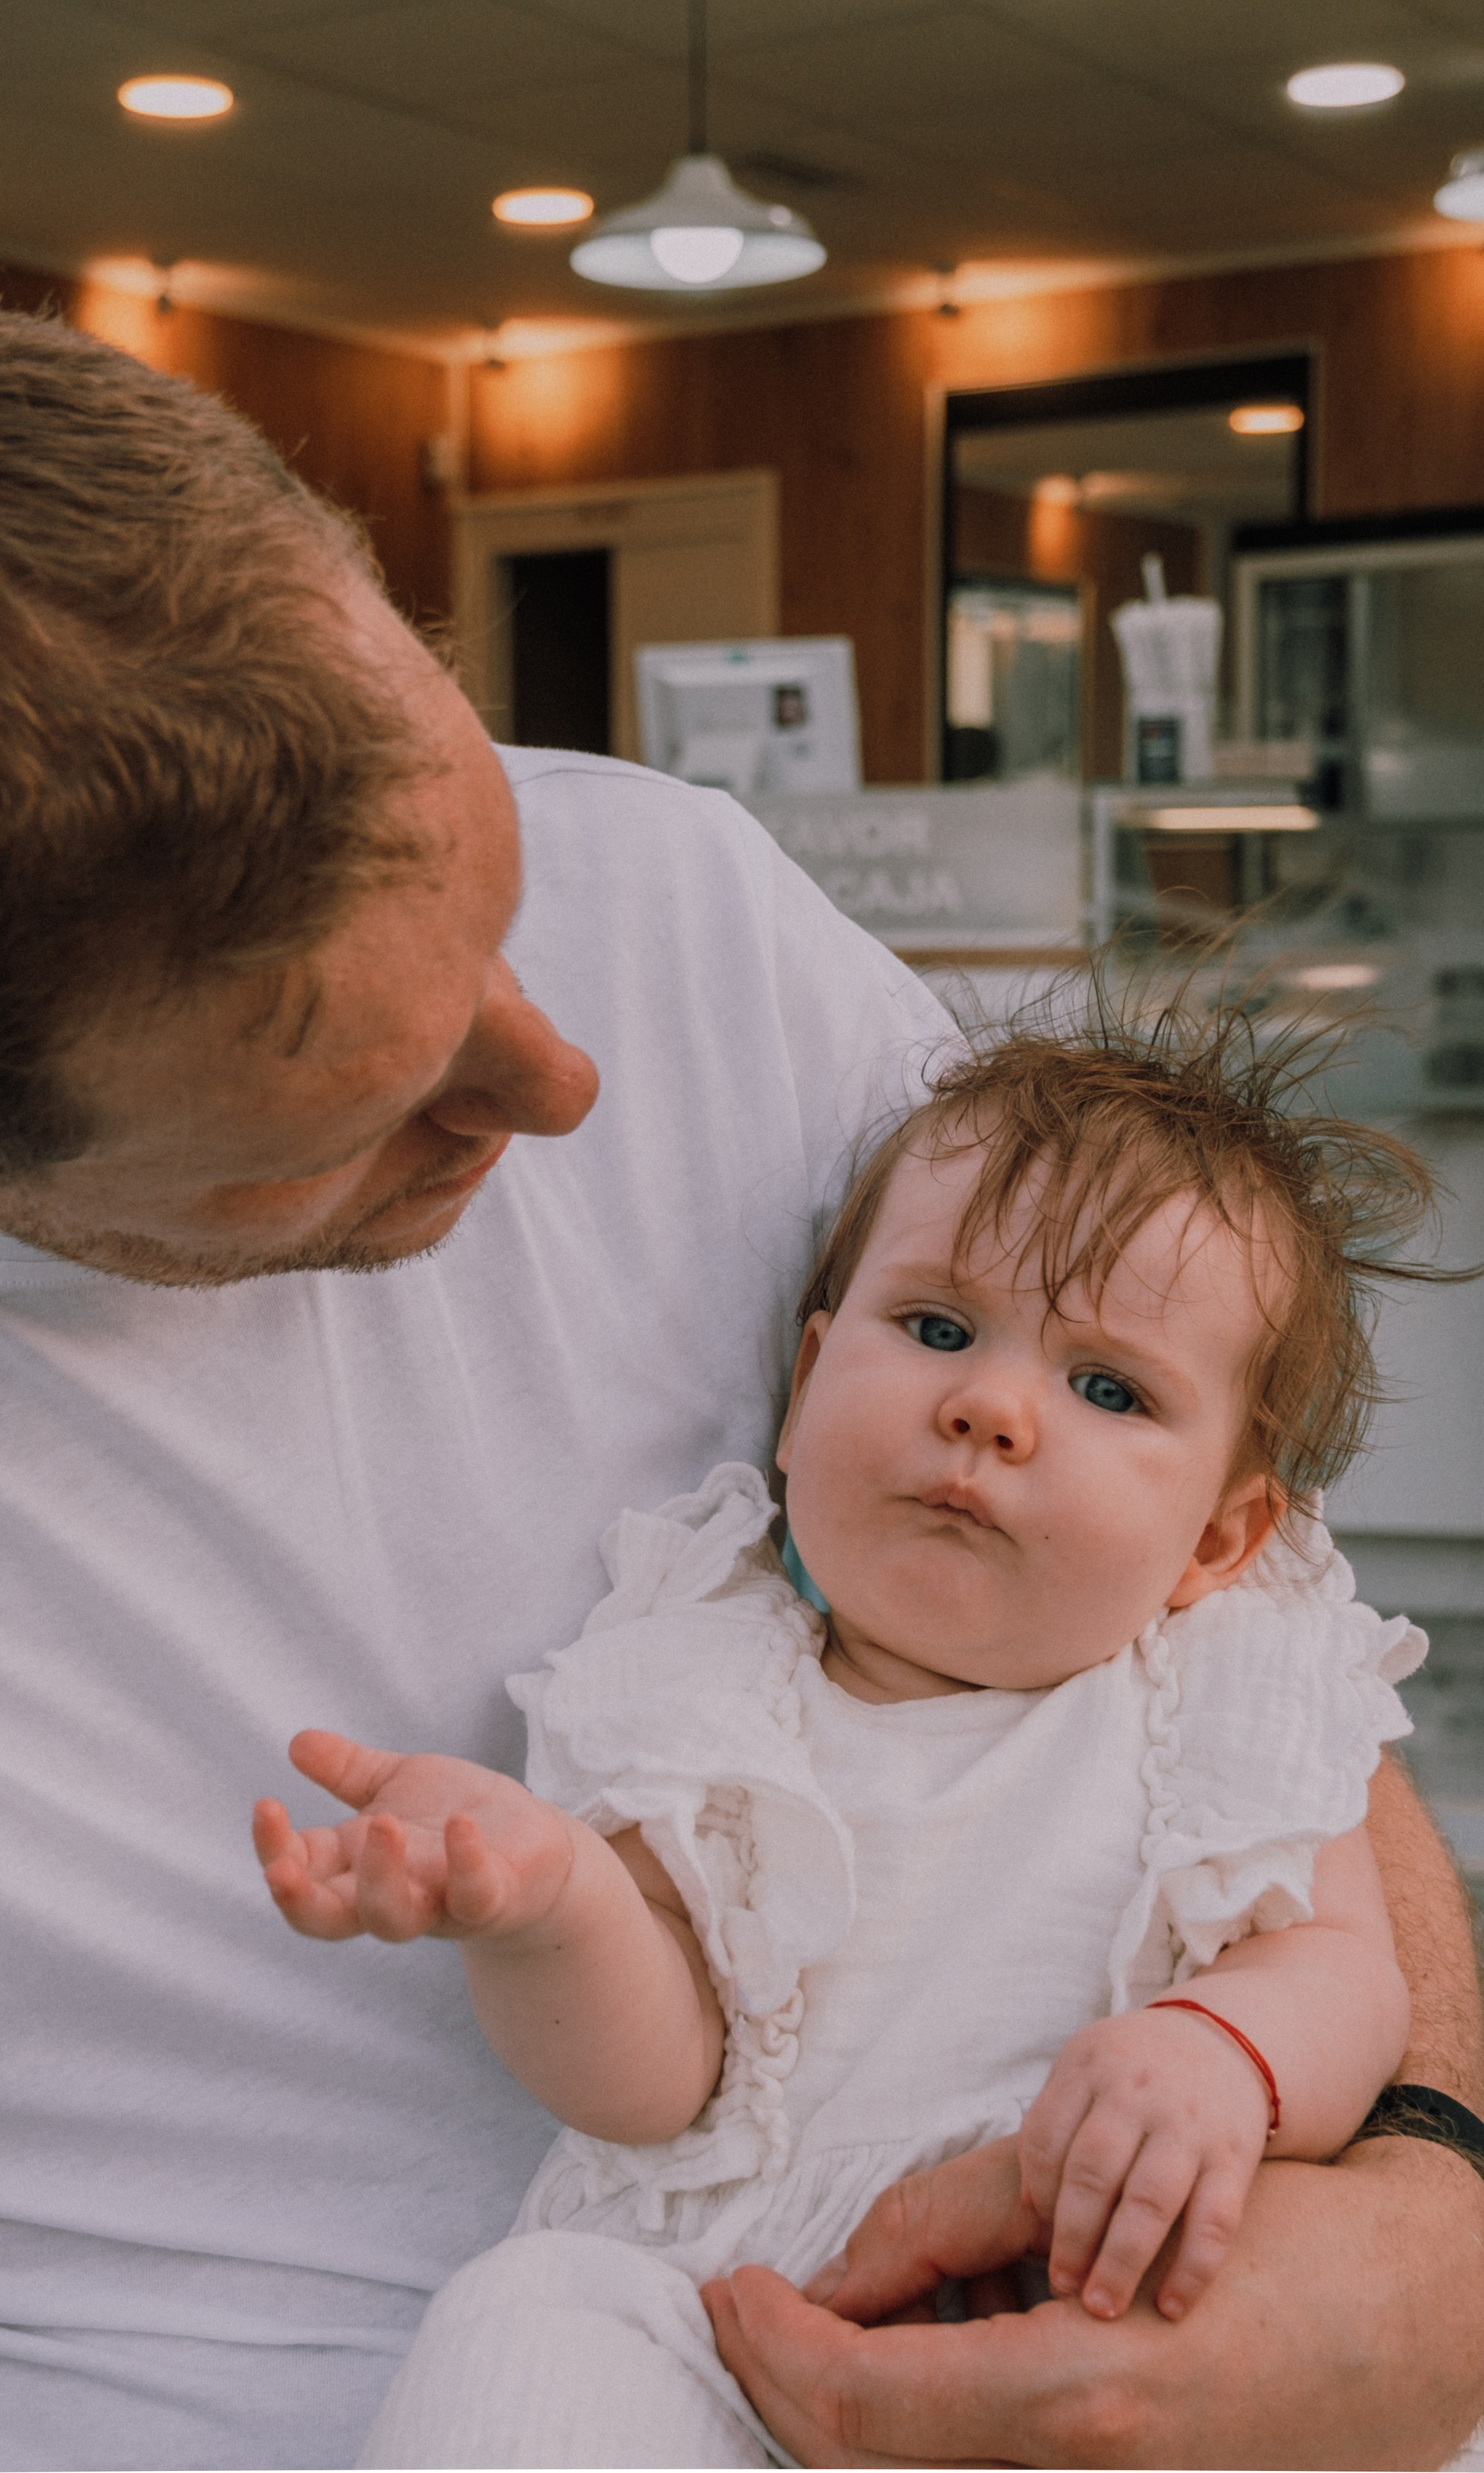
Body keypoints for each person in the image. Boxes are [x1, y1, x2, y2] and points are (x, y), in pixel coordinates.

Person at [0, 287, 1477, 2473]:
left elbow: (1234, 1630)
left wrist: (1435, 2205)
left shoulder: (690, 905)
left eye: (502, 910)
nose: (568, 1081)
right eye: (358, 1109)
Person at [260, 1007, 1427, 2467]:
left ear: (1218, 1536)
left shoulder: (1221, 1704)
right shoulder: (705, 1691)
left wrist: (1221, 2050)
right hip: (732, 2318)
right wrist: (543, 1896)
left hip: (1092, 2317)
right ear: (805, 1393)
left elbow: (1338, 1974)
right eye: (935, 1328)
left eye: (1106, 1387)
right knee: (527, 2320)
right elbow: (652, 2083)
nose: (988, 1408)